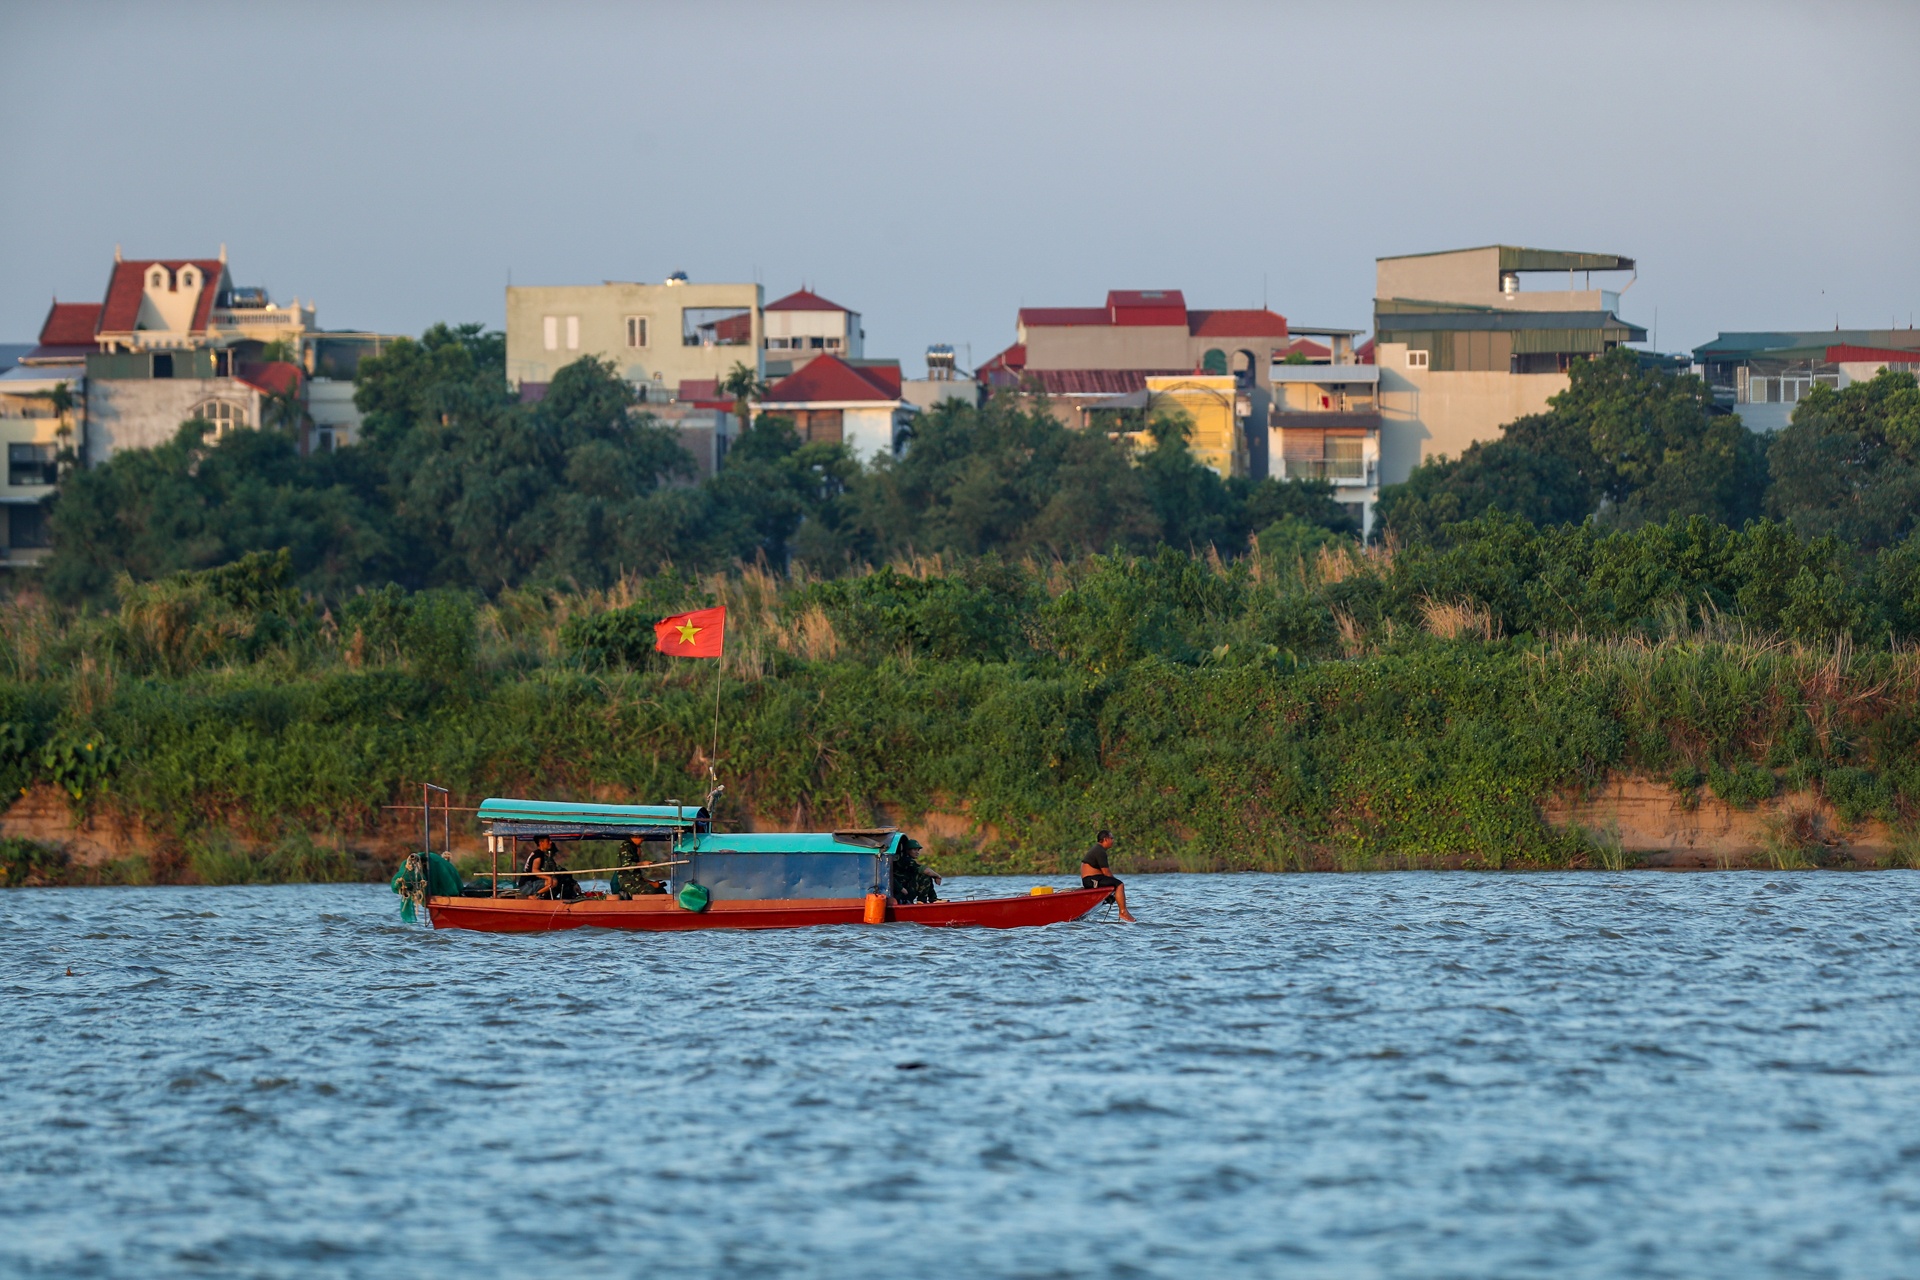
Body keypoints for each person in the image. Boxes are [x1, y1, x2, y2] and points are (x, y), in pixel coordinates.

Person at [1080, 829, 1136, 922]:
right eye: (1112, 838)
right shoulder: (1099, 851)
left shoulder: (1098, 849)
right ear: (1105, 839)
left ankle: (1112, 900)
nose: (1113, 840)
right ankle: (1123, 912)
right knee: (1120, 884)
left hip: (1094, 879)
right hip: (1091, 880)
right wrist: (1116, 885)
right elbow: (1106, 873)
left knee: (1115, 884)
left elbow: (1104, 875)